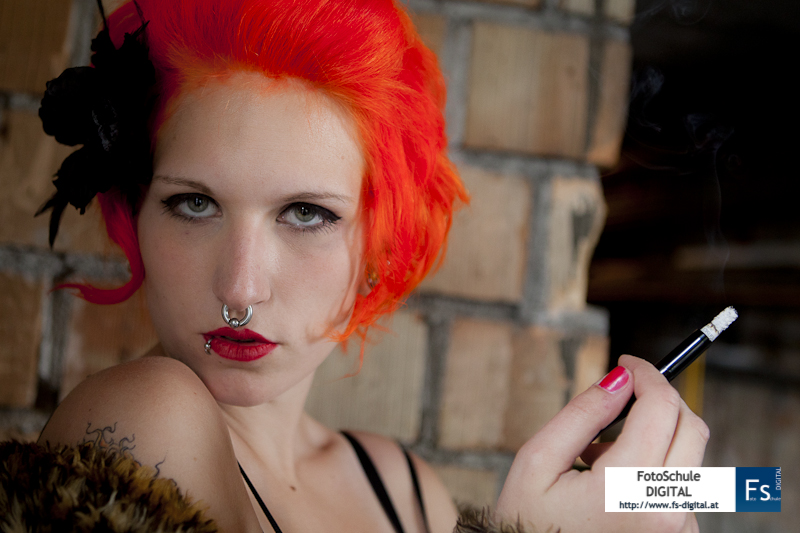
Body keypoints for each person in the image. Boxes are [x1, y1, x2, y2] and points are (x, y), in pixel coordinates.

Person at [34, 1, 710, 532]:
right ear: (135, 211)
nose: (240, 289)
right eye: (194, 203)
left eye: (306, 214)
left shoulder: (405, 488)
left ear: (380, 246)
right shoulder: (143, 416)